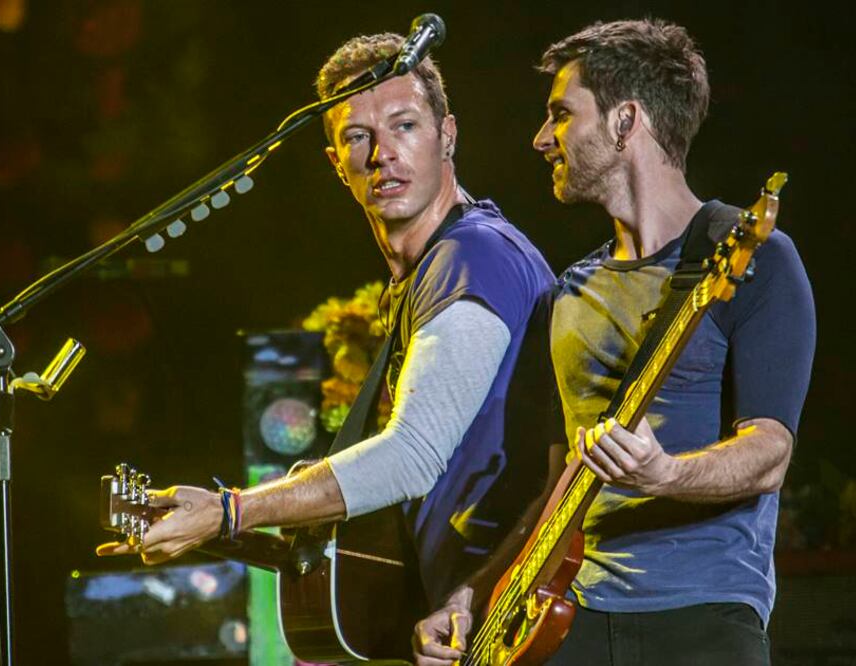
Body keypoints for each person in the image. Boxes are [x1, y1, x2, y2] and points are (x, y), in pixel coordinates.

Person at [98, 32, 557, 611]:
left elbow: (412, 457)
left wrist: (231, 511)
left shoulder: (472, 258)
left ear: (448, 136)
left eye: (405, 126)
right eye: (357, 136)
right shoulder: (423, 273)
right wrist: (214, 526)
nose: (382, 153)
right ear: (337, 165)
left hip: (514, 611)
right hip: (467, 614)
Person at [413, 18, 815, 666]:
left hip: (703, 618)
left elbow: (769, 453)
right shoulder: (565, 294)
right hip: (569, 618)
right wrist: (472, 595)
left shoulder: (749, 258)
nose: (541, 138)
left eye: (560, 115)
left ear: (625, 121)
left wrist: (663, 473)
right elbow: (557, 490)